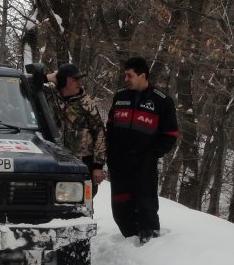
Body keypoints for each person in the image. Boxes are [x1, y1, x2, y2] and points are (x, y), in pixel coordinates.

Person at [105, 56, 179, 243]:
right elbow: (110, 127)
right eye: (125, 75)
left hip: (144, 163)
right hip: (119, 161)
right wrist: (110, 154)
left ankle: (149, 242)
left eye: (129, 75)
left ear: (142, 75)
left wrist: (151, 155)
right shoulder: (120, 96)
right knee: (120, 205)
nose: (126, 79)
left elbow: (170, 135)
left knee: (146, 204)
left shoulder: (162, 101)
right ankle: (128, 241)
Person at [45, 62, 106, 195]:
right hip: (54, 162)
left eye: (79, 79)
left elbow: (100, 133)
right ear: (63, 81)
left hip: (82, 165)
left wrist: (98, 166)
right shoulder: (50, 95)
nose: (79, 82)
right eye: (74, 79)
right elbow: (24, 82)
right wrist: (47, 77)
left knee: (82, 204)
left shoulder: (87, 103)